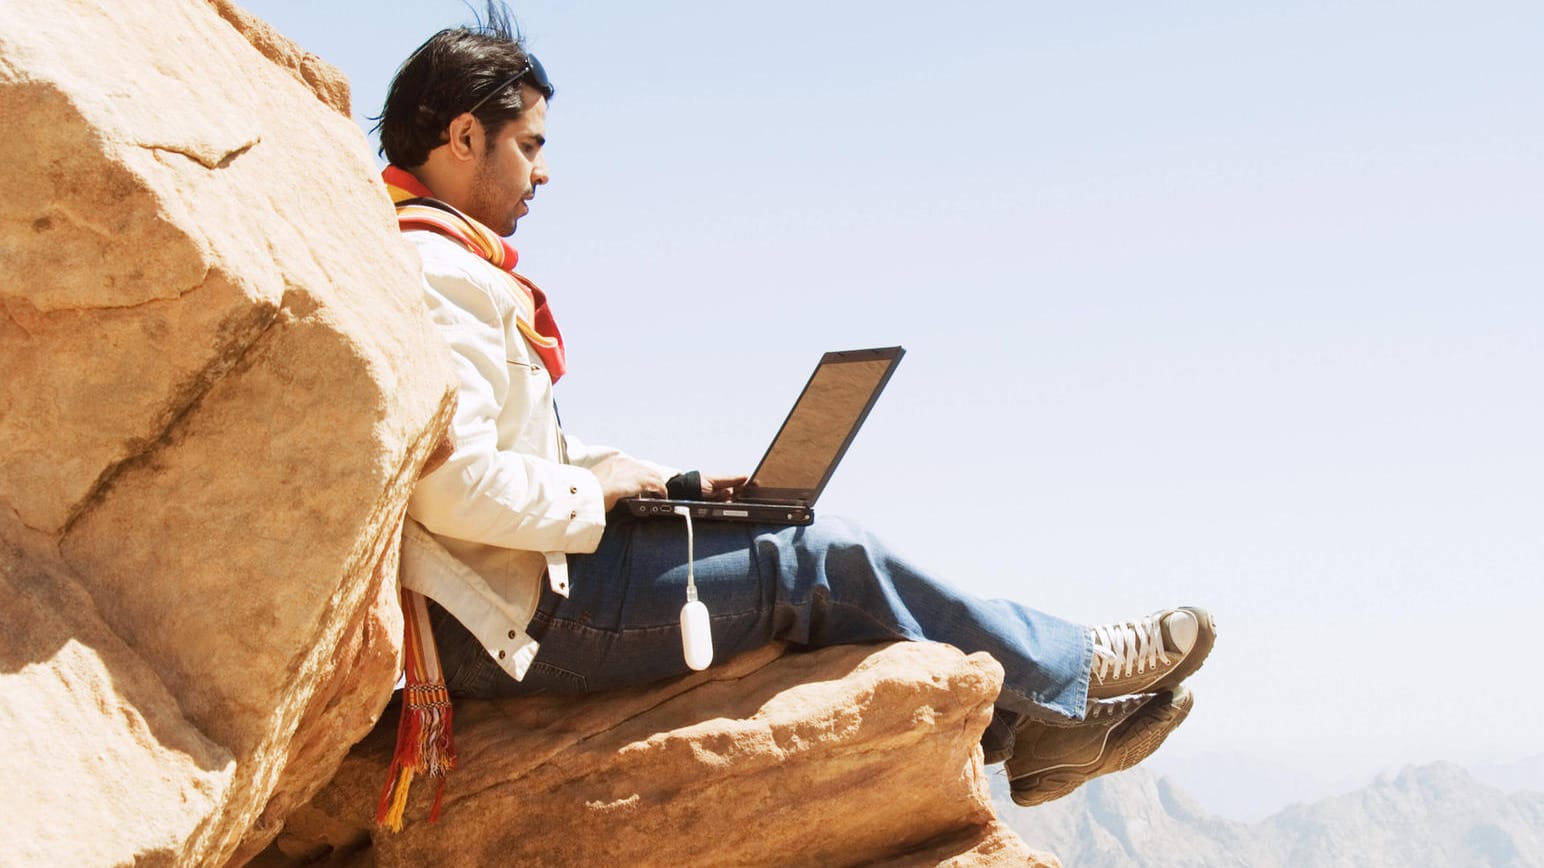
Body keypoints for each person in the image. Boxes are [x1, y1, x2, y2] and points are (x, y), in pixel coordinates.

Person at [376, 5, 1215, 809]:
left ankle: (1027, 735)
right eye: (528, 145)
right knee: (816, 560)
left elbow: (519, 446)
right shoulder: (437, 273)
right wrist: (594, 493)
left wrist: (667, 481)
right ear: (461, 138)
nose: (544, 171)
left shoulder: (446, 261)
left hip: (532, 585)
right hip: (521, 618)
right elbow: (451, 488)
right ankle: (1072, 666)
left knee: (778, 540)